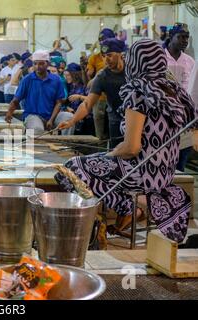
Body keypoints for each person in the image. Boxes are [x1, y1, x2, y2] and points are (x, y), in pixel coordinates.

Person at [55, 39, 197, 243]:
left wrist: (110, 154)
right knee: (97, 161)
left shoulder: (139, 92)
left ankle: (127, 209)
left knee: (70, 169)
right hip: (164, 172)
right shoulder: (173, 90)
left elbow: (131, 147)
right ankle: (133, 207)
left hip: (140, 172)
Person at [58, 38, 127, 148]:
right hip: (115, 120)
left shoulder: (132, 71)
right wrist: (72, 121)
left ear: (120, 54)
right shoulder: (102, 76)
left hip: (136, 119)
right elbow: (87, 104)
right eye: (104, 56)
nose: (106, 59)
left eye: (109, 55)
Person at [4, 50, 67, 136]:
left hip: (52, 114)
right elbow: (16, 100)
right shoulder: (27, 79)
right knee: (36, 129)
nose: (37, 66)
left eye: (41, 63)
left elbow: (59, 102)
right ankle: (35, 149)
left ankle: (66, 144)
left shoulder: (56, 80)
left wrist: (51, 120)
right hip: (33, 115)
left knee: (69, 118)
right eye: (35, 63)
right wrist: (9, 112)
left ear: (47, 64)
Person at [165, 23, 196, 171]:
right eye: (181, 37)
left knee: (182, 156)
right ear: (171, 37)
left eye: (187, 37)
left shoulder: (190, 62)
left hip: (185, 116)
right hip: (165, 115)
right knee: (166, 155)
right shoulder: (160, 58)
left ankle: (180, 187)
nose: (184, 40)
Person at [85, 28, 116, 141]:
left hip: (115, 96)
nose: (103, 42)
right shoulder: (95, 58)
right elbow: (89, 79)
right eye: (101, 40)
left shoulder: (119, 56)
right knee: (98, 121)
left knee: (115, 124)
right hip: (100, 96)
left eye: (106, 40)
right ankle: (100, 147)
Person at [63, 63, 94, 136]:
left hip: (86, 119)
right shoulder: (69, 86)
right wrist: (67, 108)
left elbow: (92, 100)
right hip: (74, 118)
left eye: (68, 75)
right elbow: (66, 102)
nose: (66, 77)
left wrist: (79, 97)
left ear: (75, 75)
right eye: (65, 75)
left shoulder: (84, 86)